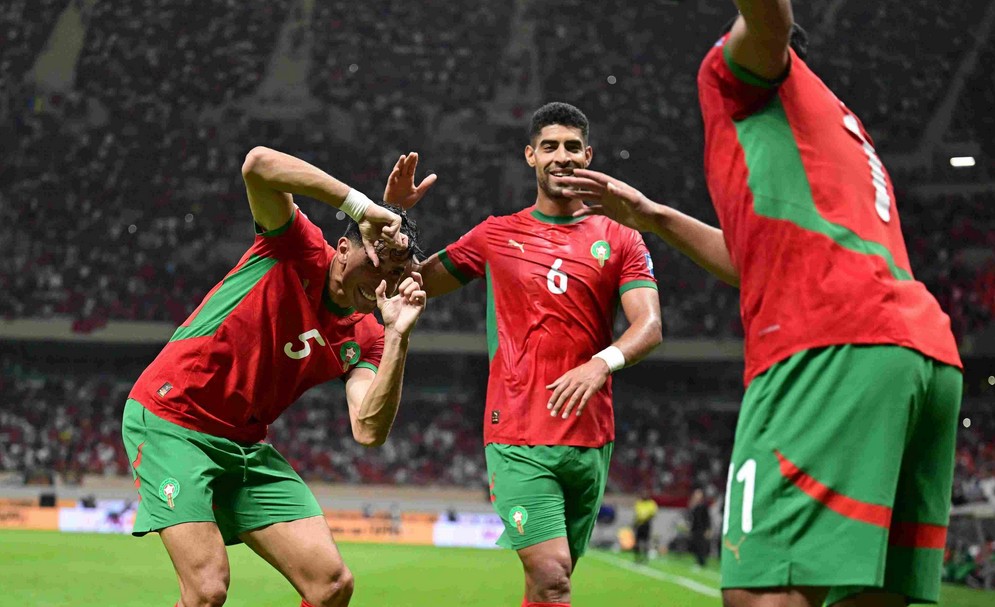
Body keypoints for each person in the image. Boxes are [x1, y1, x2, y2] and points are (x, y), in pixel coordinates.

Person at [559, 2, 963, 605]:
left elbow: (768, 24)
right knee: (864, 594)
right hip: (920, 351)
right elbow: (753, 261)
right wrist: (654, 216)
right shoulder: (837, 126)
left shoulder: (739, 73)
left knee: (762, 591)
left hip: (827, 345)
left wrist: (758, 25)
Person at [121, 146, 430, 607]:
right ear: (344, 248)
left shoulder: (370, 337)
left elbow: (367, 429)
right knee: (206, 590)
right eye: (376, 259)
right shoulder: (297, 247)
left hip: (244, 445)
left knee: (331, 586)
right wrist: (361, 206)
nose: (383, 276)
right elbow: (258, 165)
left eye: (396, 270)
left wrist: (399, 337)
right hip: (173, 418)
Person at [393, 102, 663, 606]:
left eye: (572, 147)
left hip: (590, 435)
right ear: (530, 155)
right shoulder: (495, 235)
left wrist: (601, 363)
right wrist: (395, 218)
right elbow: (412, 281)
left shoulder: (621, 237)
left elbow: (649, 326)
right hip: (517, 432)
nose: (561, 156)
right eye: (549, 146)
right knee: (554, 575)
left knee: (546, 587)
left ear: (588, 156)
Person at [687, 488, 711, 569]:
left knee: (701, 546)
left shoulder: (704, 506)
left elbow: (707, 518)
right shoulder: (693, 505)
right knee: (695, 545)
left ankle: (702, 562)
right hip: (694, 529)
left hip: (702, 529)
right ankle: (697, 561)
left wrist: (708, 529)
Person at [632, 493, 658, 564]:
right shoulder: (639, 503)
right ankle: (637, 558)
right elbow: (637, 513)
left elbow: (653, 513)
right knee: (637, 542)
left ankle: (645, 558)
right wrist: (636, 523)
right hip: (639, 524)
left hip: (646, 524)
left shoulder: (651, 503)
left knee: (646, 541)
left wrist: (645, 518)